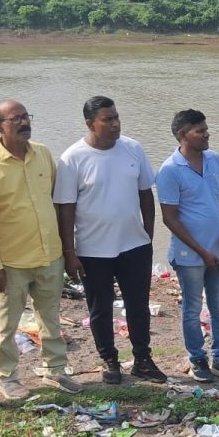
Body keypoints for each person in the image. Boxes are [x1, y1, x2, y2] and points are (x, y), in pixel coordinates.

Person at [0, 99, 83, 400]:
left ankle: (55, 371)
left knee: (51, 317)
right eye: (15, 119)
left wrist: (67, 250)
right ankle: (7, 377)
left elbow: (59, 204)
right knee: (7, 324)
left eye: (25, 117)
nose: (23, 123)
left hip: (49, 255)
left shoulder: (43, 154)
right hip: (11, 261)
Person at [53, 95, 168, 385]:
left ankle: (142, 359)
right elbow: (65, 207)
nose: (116, 123)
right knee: (100, 308)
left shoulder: (133, 149)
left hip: (134, 245)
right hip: (93, 250)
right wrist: (69, 251)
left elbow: (146, 194)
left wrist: (148, 236)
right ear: (91, 123)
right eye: (108, 119)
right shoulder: (72, 158)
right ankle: (109, 360)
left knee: (138, 305)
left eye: (116, 117)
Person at [156, 109, 219, 384]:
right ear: (183, 135)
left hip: (216, 251)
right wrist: (202, 251)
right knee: (192, 309)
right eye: (200, 131)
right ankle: (197, 358)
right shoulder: (170, 170)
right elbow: (169, 218)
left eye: (206, 129)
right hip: (189, 256)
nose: (207, 134)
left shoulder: (213, 159)